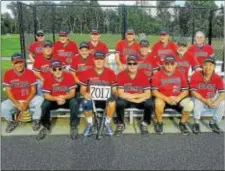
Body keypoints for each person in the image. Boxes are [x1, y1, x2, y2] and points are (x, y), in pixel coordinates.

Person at [37, 60, 80, 140]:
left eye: (59, 69)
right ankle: (46, 127)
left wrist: (63, 97)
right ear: (51, 70)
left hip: (66, 99)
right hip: (54, 100)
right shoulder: (48, 78)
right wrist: (56, 98)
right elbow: (46, 95)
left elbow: (72, 93)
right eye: (54, 69)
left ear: (63, 69)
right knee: (44, 105)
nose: (57, 71)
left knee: (74, 102)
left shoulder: (69, 76)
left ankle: (73, 126)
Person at [151, 55, 194, 135]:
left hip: (177, 98)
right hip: (164, 99)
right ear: (163, 64)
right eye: (167, 63)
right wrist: (167, 98)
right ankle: (159, 123)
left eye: (172, 63)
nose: (169, 66)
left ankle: (182, 123)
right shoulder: (157, 75)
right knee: (158, 102)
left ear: (175, 64)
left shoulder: (181, 74)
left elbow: (185, 90)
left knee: (190, 104)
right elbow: (154, 91)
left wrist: (178, 98)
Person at [2, 53, 43, 133]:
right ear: (12, 64)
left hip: (29, 99)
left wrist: (26, 102)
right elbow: (8, 92)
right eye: (16, 63)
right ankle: (11, 122)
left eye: (20, 62)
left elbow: (33, 90)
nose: (19, 65)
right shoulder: (8, 74)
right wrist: (17, 104)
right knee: (3, 106)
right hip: (15, 100)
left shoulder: (30, 73)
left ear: (24, 62)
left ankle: (36, 120)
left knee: (41, 100)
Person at [78, 51, 117, 137]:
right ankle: (90, 124)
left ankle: (107, 124)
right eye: (96, 59)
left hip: (105, 99)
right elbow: (82, 89)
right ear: (93, 60)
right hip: (92, 99)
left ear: (104, 60)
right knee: (85, 102)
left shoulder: (110, 72)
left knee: (112, 102)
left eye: (101, 59)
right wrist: (85, 94)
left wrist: (113, 94)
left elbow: (114, 90)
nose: (99, 61)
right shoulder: (87, 72)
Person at [115, 55, 153, 136]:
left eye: (134, 63)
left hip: (139, 100)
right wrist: (135, 98)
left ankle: (144, 123)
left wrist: (137, 98)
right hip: (128, 100)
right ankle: (121, 123)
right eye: (130, 63)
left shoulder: (143, 75)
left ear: (138, 64)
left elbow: (148, 93)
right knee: (119, 102)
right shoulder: (121, 75)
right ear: (126, 64)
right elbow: (120, 93)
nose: (132, 65)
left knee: (150, 103)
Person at [190, 57, 225, 134]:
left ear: (214, 67)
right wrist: (205, 101)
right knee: (197, 101)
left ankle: (213, 122)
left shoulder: (217, 77)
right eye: (206, 65)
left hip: (211, 98)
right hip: (199, 97)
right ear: (202, 66)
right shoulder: (196, 75)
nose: (208, 67)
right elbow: (193, 92)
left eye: (210, 65)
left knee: (222, 103)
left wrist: (216, 102)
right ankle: (196, 123)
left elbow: (223, 93)